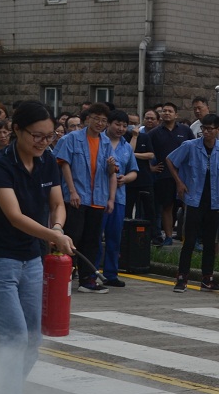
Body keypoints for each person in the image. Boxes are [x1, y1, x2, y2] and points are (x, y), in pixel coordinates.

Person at [0, 101, 75, 394]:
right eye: (37, 135)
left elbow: (57, 203)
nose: (43, 142)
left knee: (33, 337)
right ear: (16, 130)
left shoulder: (47, 161)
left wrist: (58, 227)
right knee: (13, 337)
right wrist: (53, 235)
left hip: (32, 258)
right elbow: (15, 216)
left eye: (49, 136)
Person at [167, 113, 219, 292]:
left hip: (214, 202)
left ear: (218, 130)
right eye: (204, 128)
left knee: (210, 242)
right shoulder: (190, 146)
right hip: (194, 200)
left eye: (210, 129)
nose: (206, 132)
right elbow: (170, 160)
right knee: (189, 241)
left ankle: (207, 279)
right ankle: (182, 278)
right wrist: (179, 182)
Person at [54, 102, 117, 294]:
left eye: (104, 120)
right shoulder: (72, 139)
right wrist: (72, 191)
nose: (100, 123)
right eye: (96, 119)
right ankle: (62, 275)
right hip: (77, 198)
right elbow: (64, 165)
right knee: (73, 236)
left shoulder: (106, 142)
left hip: (98, 198)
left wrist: (110, 198)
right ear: (87, 119)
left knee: (92, 240)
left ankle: (87, 280)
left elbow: (111, 172)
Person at [96, 110, 139, 287]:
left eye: (124, 125)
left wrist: (126, 179)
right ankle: (91, 272)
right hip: (98, 196)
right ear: (108, 123)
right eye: (117, 124)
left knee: (114, 237)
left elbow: (134, 171)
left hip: (119, 198)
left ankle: (111, 273)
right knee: (95, 236)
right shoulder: (98, 141)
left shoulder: (126, 147)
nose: (121, 128)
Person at [148, 102, 193, 246]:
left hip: (184, 176)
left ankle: (190, 238)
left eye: (170, 111)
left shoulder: (185, 130)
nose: (167, 113)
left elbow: (194, 149)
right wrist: (151, 167)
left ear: (176, 115)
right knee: (167, 206)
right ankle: (168, 236)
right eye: (164, 111)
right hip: (164, 175)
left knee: (188, 206)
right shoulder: (154, 133)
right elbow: (146, 152)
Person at [124, 112, 156, 229]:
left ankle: (153, 234)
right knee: (127, 210)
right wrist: (134, 137)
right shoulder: (123, 138)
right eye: (130, 123)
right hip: (129, 180)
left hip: (145, 179)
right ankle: (126, 233)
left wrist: (135, 155)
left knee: (149, 209)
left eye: (135, 123)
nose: (133, 126)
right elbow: (128, 153)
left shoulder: (145, 137)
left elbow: (151, 155)